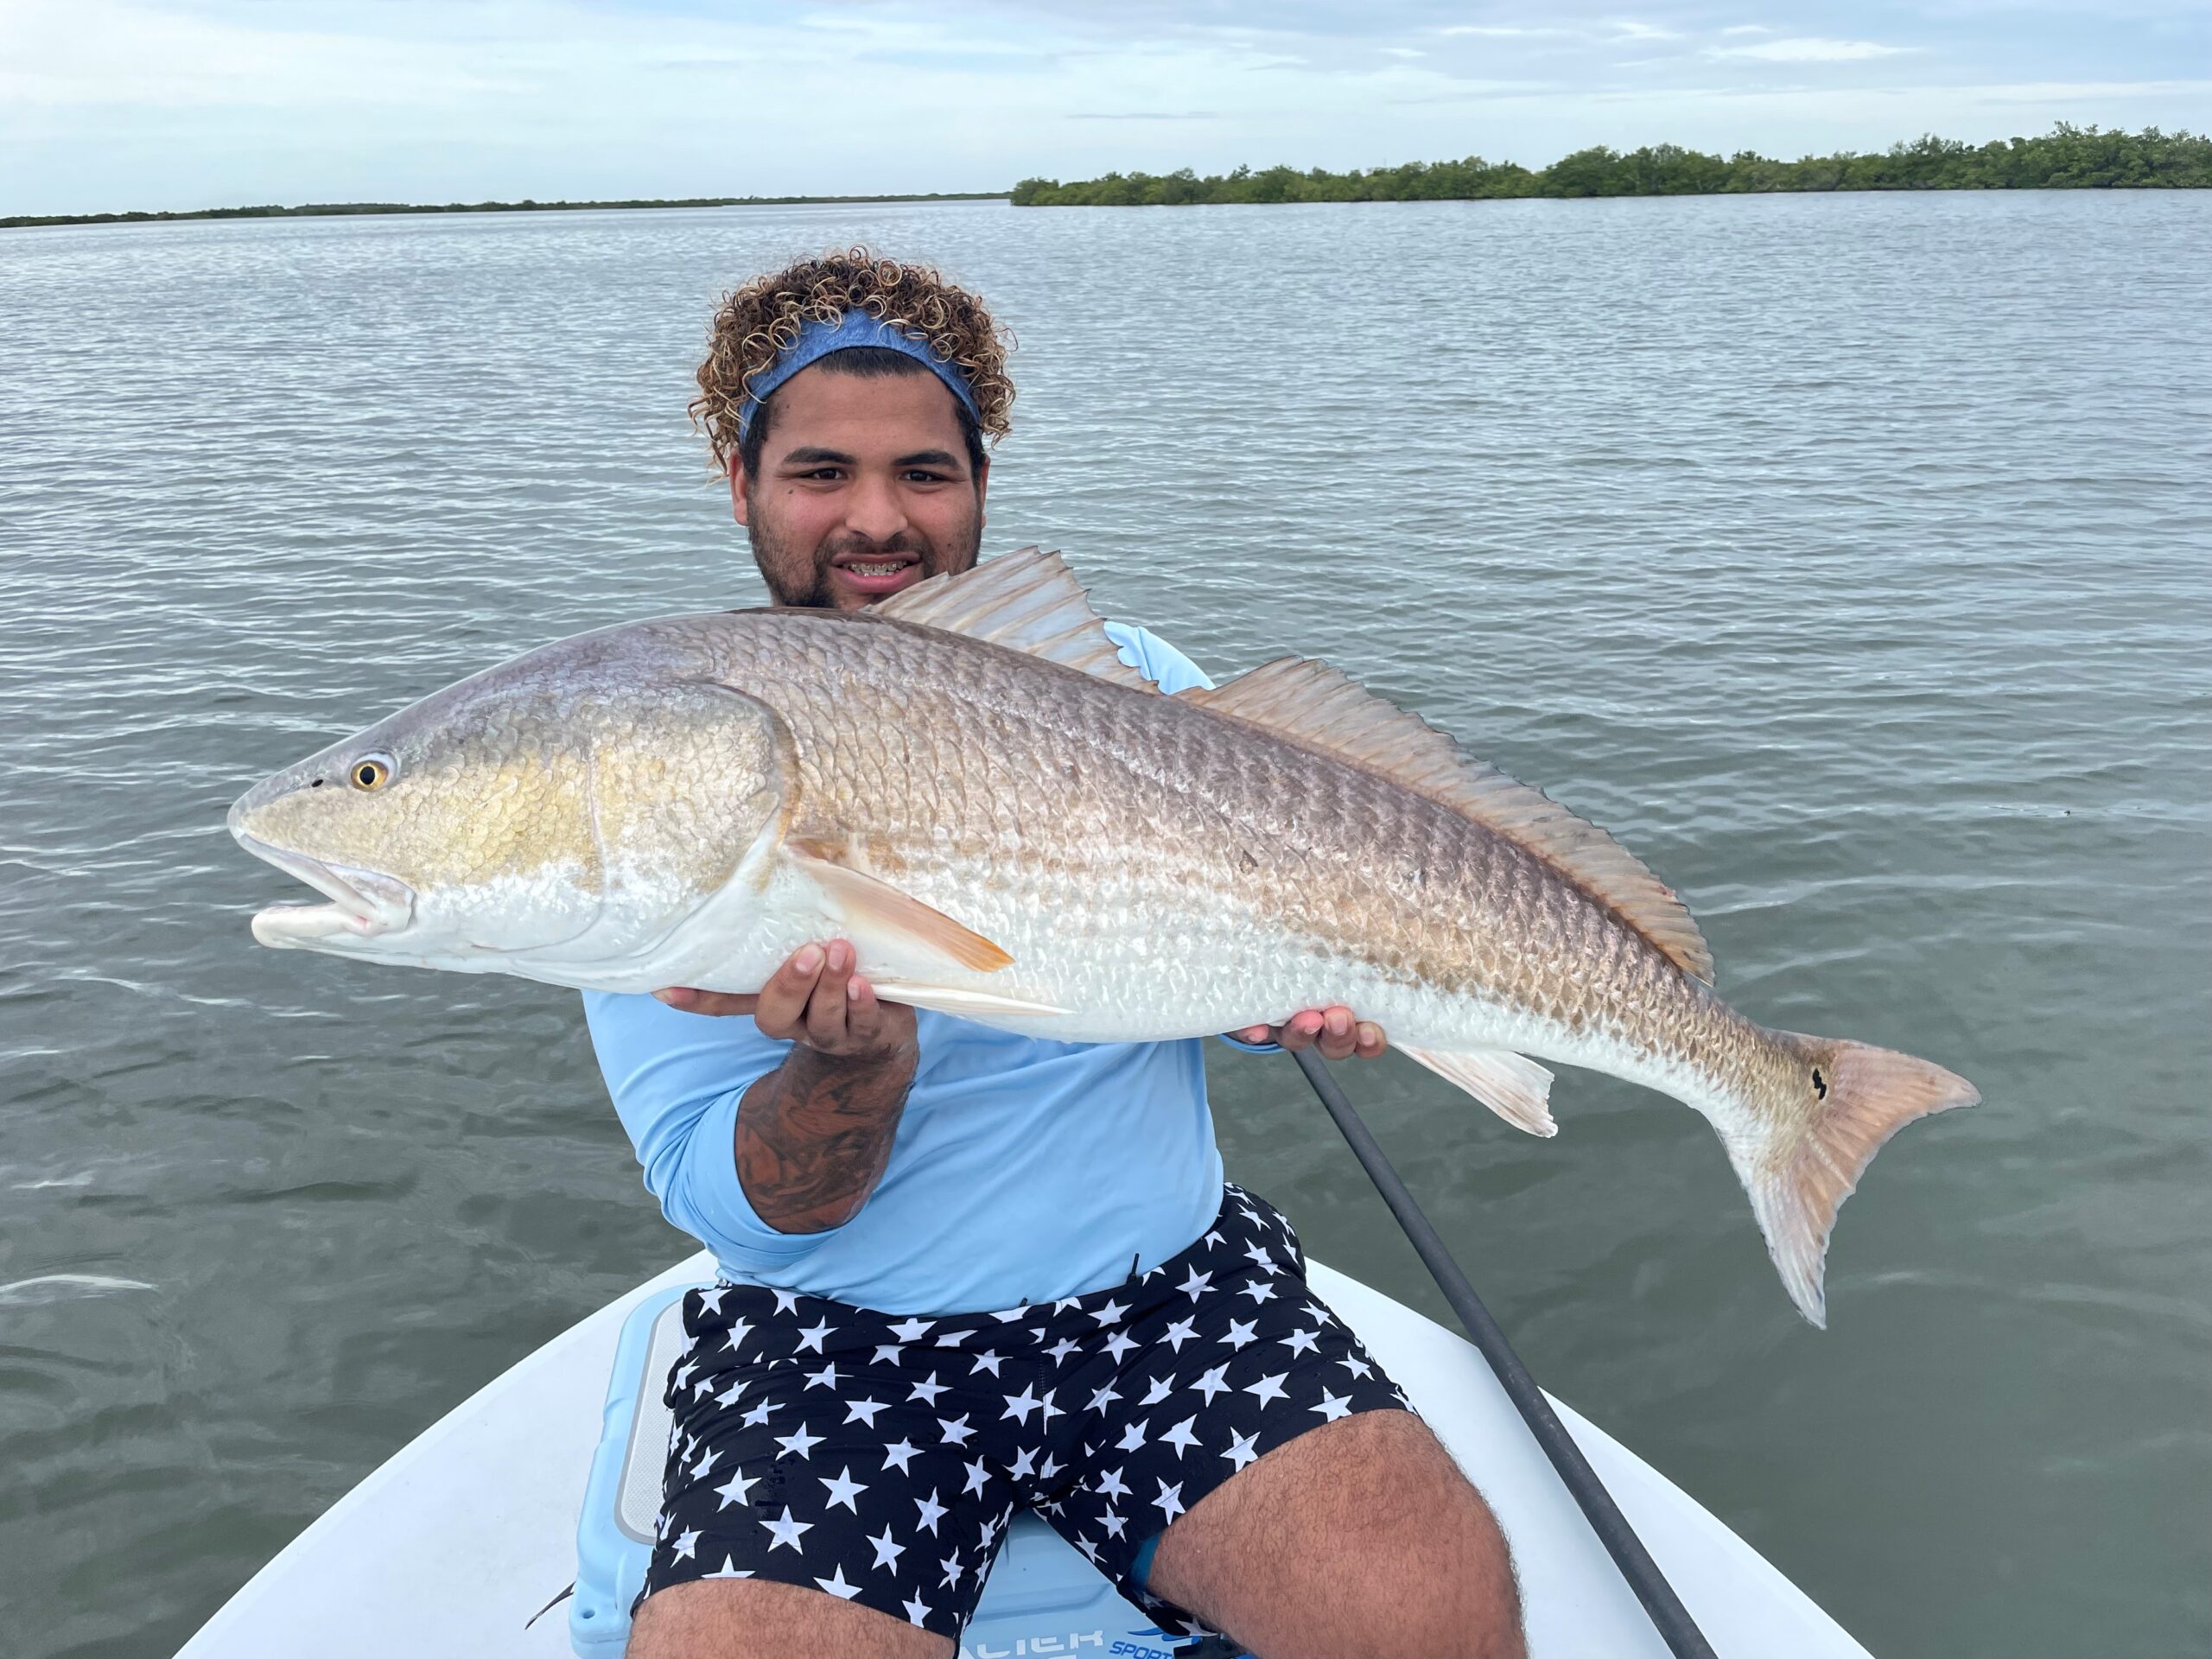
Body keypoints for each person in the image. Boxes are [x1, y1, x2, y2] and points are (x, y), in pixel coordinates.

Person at [586, 249, 1523, 1659]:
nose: (877, 520)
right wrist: (851, 1073)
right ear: (742, 482)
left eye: (926, 473)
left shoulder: (1119, 677)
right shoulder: (668, 759)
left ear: (980, 479)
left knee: (1434, 1616)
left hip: (1168, 1298)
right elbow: (744, 1210)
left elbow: (1233, 917)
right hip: (837, 1344)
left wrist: (1287, 993)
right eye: (821, 472)